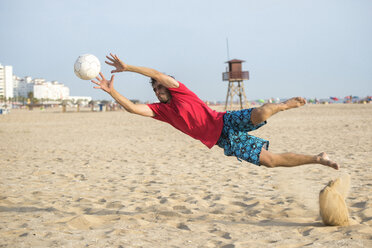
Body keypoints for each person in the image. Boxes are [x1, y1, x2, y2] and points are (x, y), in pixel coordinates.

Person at [91, 53, 339, 170]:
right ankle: (318, 158)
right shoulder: (160, 111)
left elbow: (156, 74)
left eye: (159, 86)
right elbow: (133, 108)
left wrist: (128, 67)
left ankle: (284, 105)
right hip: (224, 140)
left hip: (225, 120)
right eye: (155, 89)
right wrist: (111, 92)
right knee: (270, 161)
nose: (158, 89)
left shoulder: (179, 90)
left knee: (262, 113)